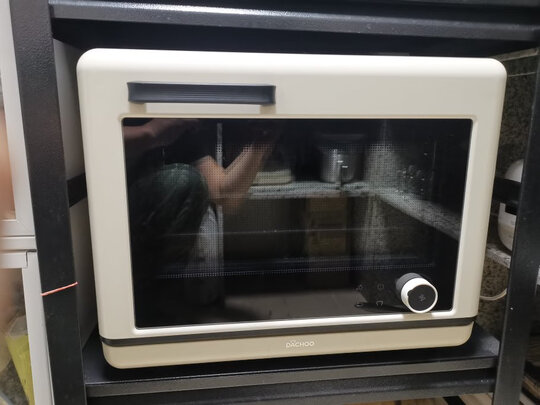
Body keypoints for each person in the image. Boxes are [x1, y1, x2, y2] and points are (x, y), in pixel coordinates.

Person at [123, 118, 278, 286]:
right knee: (180, 181)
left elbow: (224, 197)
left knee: (186, 182)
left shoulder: (177, 125)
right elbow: (100, 137)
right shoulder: (138, 116)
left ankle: (161, 287)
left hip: (145, 230)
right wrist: (149, 132)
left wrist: (262, 141)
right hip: (111, 209)